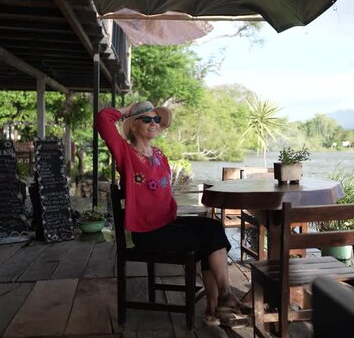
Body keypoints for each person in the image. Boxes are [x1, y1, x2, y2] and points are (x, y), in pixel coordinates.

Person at [96, 101, 249, 326]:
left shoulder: (160, 155)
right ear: (133, 126)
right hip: (147, 232)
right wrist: (127, 111)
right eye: (147, 119)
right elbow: (102, 120)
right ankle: (217, 307)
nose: (154, 123)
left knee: (214, 228)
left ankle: (219, 303)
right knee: (208, 240)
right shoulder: (125, 153)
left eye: (156, 119)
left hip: (168, 223)